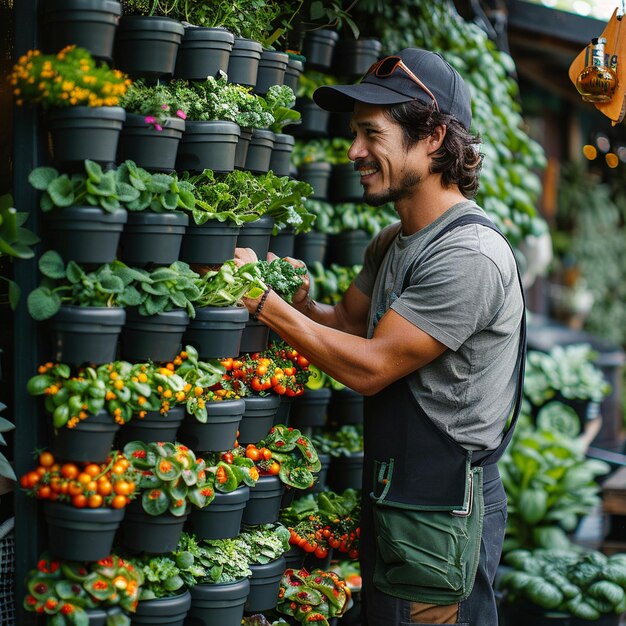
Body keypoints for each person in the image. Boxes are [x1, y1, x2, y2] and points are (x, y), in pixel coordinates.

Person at [236, 47, 525, 626]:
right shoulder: (393, 242)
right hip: (397, 495)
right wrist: (299, 303)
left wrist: (263, 306)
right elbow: (344, 325)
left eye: (372, 134)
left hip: (444, 514)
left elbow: (371, 367)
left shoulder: (468, 255)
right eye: (354, 134)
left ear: (434, 137)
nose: (355, 152)